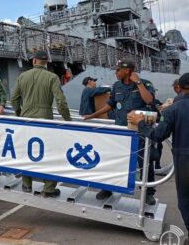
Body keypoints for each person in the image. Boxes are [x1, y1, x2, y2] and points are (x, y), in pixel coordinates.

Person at [84, 58, 156, 205]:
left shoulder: (145, 83)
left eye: (118, 70)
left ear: (127, 71)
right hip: (120, 131)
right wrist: (92, 115)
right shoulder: (117, 86)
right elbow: (110, 105)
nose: (116, 72)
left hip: (140, 132)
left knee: (145, 162)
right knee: (113, 160)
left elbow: (149, 100)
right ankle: (107, 188)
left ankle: (148, 192)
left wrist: (138, 83)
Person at [127, 72, 189, 245]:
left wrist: (140, 122)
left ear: (180, 88)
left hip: (185, 159)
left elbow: (158, 135)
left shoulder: (173, 109)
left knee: (185, 199)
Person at [11, 50, 71, 197]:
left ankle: (26, 184)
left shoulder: (22, 76)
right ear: (46, 62)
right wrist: (68, 120)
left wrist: (20, 113)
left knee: (26, 151)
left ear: (34, 61)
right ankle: (49, 188)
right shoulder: (52, 77)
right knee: (49, 153)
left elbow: (14, 99)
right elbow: (61, 102)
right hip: (45, 119)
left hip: (26, 119)